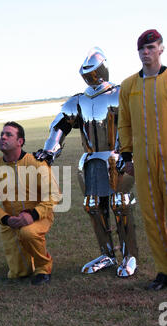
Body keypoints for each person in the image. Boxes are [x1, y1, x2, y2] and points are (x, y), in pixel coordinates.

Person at [35, 47, 138, 277]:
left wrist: (127, 154)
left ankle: (129, 255)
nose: (89, 75)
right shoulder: (78, 100)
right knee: (93, 206)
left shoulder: (119, 94)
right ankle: (107, 254)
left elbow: (131, 124)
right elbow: (59, 126)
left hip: (117, 157)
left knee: (119, 204)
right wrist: (50, 150)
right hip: (90, 160)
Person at [118, 29, 167, 291]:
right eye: (142, 49)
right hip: (144, 163)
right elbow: (123, 123)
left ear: (161, 49)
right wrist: (127, 155)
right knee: (152, 217)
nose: (146, 53)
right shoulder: (129, 86)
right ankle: (164, 270)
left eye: (151, 47)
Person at [0, 121, 60, 285]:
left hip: (39, 216)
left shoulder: (36, 162)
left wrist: (33, 215)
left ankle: (43, 267)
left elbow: (54, 194)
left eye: (8, 134)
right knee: (20, 273)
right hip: (10, 222)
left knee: (28, 233)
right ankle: (28, 257)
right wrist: (6, 219)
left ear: (20, 142)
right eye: (1, 134)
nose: (3, 137)